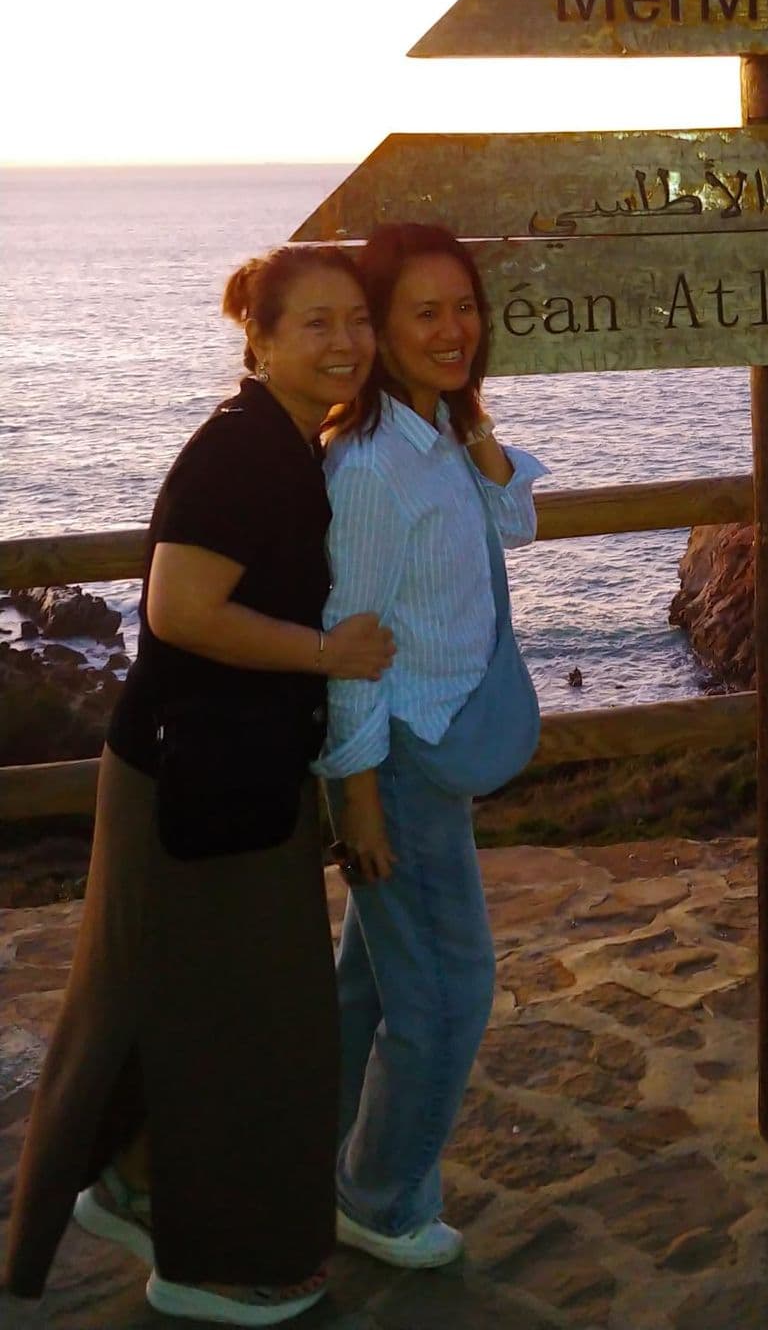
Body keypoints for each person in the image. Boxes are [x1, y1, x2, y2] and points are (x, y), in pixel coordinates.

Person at [3, 245, 395, 1326]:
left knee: (199, 1004)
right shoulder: (243, 453)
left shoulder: (285, 441)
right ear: (258, 339)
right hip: (193, 777)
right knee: (250, 1023)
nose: (345, 342)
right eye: (313, 322)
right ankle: (210, 1263)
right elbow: (178, 608)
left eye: (356, 319)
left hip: (225, 771)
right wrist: (330, 654)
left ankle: (131, 1184)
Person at [318, 222, 545, 1270]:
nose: (455, 328)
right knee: (450, 994)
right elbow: (351, 644)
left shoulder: (432, 434)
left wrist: (476, 418)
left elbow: (512, 524)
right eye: (425, 310)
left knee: (367, 986)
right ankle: (378, 1194)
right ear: (379, 327)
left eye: (465, 306)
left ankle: (305, 1151)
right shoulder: (369, 468)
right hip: (398, 758)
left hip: (427, 745)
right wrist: (358, 798)